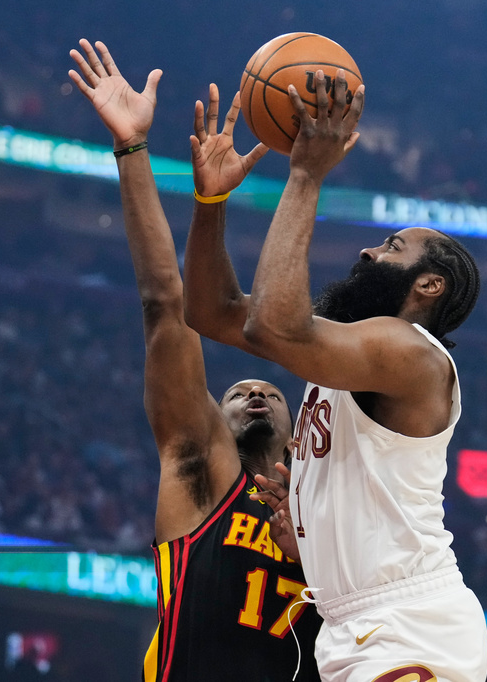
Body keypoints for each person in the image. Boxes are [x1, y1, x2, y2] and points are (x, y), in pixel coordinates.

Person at [183, 70, 487, 681]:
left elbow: (273, 326)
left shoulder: (412, 354)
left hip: (411, 622)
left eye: (392, 247)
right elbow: (211, 313)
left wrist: (305, 174)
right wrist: (211, 204)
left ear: (428, 286)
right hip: (349, 623)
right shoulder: (348, 351)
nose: (367, 253)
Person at [67, 39, 321, 682]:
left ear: (300, 434)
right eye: (238, 392)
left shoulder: (329, 523)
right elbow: (164, 303)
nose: (256, 393)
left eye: (268, 389)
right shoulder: (201, 472)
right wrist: (132, 149)